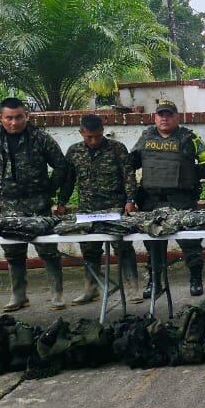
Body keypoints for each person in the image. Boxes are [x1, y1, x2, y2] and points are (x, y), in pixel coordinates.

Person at [0, 97, 70, 311]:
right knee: (13, 252)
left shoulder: (40, 138)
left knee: (48, 250)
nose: (14, 122)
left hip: (38, 204)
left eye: (19, 117)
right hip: (9, 206)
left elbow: (60, 166)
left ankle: (56, 294)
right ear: (0, 118)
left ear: (26, 116)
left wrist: (49, 189)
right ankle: (18, 295)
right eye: (9, 118)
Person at [128, 100, 205, 297]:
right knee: (153, 243)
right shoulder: (146, 137)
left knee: (190, 242)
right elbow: (131, 163)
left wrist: (188, 176)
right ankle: (154, 281)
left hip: (181, 199)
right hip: (151, 200)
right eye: (161, 115)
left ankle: (195, 279)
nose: (164, 118)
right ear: (155, 117)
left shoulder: (190, 138)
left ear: (177, 117)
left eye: (169, 114)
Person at [56, 114, 139, 304]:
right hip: (88, 209)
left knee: (123, 247)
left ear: (103, 131)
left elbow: (128, 176)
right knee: (89, 249)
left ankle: (133, 288)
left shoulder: (117, 148)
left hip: (114, 207)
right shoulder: (74, 151)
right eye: (89, 137)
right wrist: (62, 202)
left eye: (97, 136)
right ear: (81, 133)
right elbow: (68, 181)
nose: (93, 141)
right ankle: (91, 289)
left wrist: (131, 200)